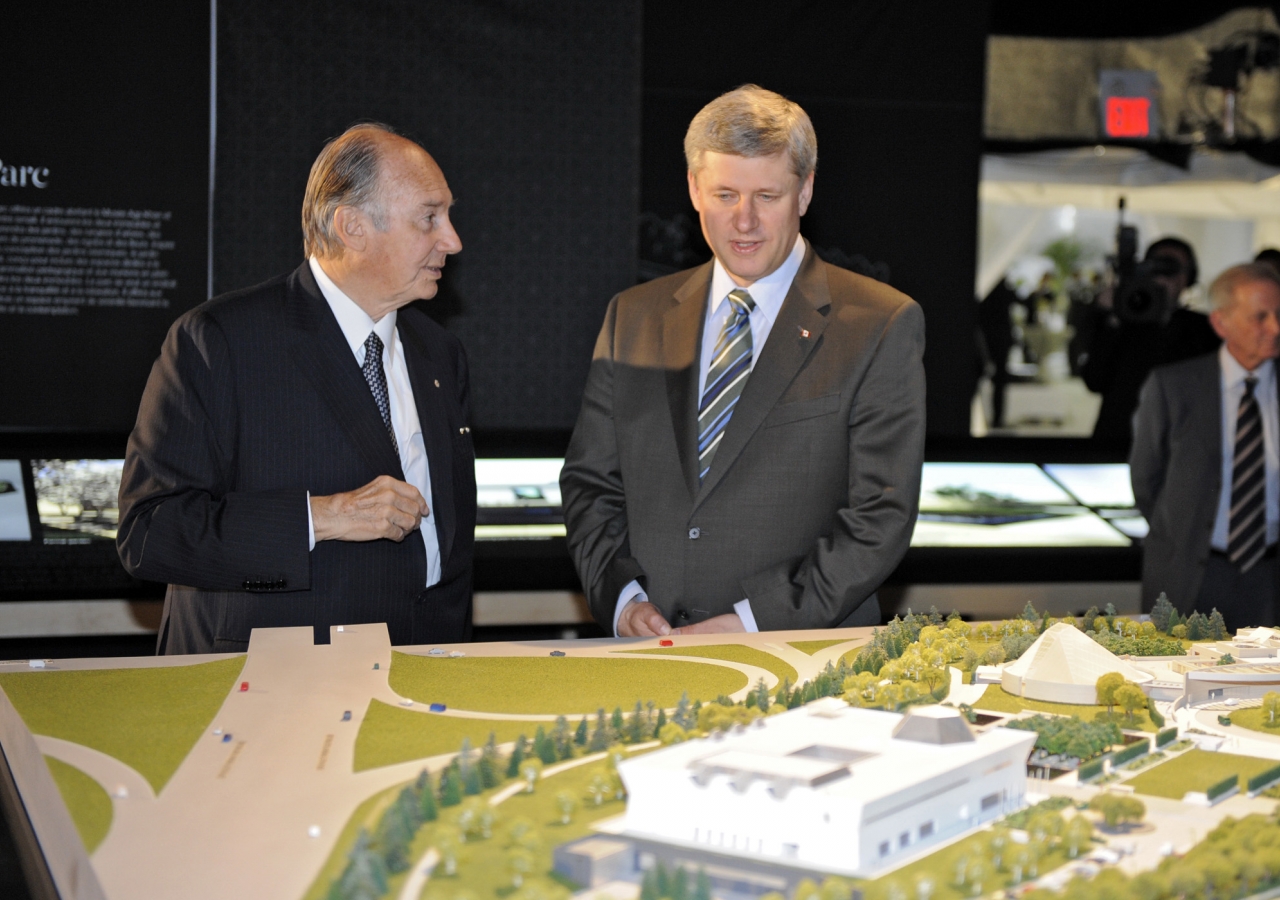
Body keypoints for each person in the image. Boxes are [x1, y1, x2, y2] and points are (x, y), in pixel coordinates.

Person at [560, 85, 925, 637]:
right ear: (693, 189)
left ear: (804, 192)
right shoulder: (633, 315)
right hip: (646, 651)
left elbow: (880, 518)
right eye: (725, 194)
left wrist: (753, 621)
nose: (744, 221)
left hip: (800, 658)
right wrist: (624, 599)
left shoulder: (879, 323)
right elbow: (591, 483)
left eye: (767, 197)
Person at [117, 123, 476, 654]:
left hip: (428, 679)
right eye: (429, 218)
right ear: (352, 226)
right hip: (263, 687)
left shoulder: (439, 352)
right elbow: (150, 532)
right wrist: (322, 517)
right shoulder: (219, 341)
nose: (453, 240)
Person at [1131, 262, 1280, 632]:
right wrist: (1182, 535)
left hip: (1269, 576)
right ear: (1220, 323)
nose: (1275, 328)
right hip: (1188, 575)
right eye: (1260, 317)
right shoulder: (1174, 387)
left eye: (1279, 314)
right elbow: (1146, 481)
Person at [1080, 237, 1219, 445]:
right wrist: (1110, 317)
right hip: (1119, 441)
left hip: (1179, 445)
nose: (1162, 278)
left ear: (1186, 279)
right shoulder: (1120, 321)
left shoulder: (1203, 329)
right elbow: (1095, 380)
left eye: (1170, 270)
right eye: (1155, 267)